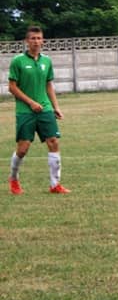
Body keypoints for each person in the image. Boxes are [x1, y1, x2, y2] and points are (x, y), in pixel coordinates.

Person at [8, 25, 70, 195]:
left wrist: (56, 107)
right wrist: (31, 103)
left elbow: (49, 85)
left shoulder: (46, 61)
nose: (36, 41)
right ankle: (13, 179)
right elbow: (12, 87)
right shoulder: (18, 61)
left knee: (53, 142)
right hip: (25, 111)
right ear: (27, 41)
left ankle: (55, 184)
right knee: (23, 149)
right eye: (33, 38)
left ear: (43, 41)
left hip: (45, 109)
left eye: (39, 38)